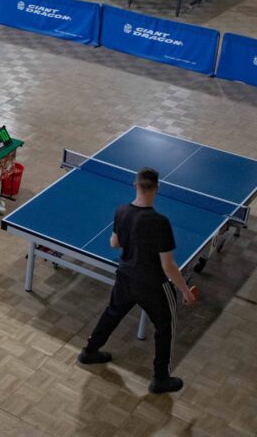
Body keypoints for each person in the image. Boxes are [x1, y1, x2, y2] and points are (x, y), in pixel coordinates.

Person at [77, 167, 196, 394]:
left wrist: (133, 238)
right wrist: (185, 291)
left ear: (135, 185)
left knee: (112, 312)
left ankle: (89, 351)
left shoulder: (122, 211)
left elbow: (114, 243)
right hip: (153, 285)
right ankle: (160, 378)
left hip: (125, 277)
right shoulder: (160, 222)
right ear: (157, 188)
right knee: (165, 327)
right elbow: (168, 266)